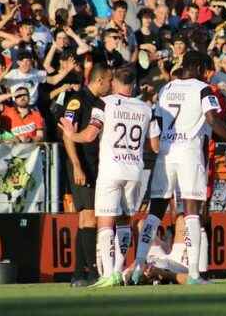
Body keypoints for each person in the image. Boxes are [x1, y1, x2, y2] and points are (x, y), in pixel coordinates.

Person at [131, 51, 226, 285]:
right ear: (202, 68)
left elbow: (158, 123)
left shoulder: (167, 88)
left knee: (156, 210)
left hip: (166, 152)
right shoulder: (203, 89)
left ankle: (139, 263)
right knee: (192, 210)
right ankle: (193, 273)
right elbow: (213, 120)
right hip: (190, 153)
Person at [59, 65, 157, 288]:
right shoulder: (146, 107)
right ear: (133, 83)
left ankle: (107, 275)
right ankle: (117, 271)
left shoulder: (104, 103)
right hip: (134, 170)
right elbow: (155, 145)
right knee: (124, 221)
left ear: (114, 82)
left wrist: (71, 134)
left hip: (110, 170)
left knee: (104, 221)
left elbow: (90, 134)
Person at [59, 63, 113, 287]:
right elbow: (67, 135)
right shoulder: (77, 100)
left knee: (85, 219)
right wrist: (77, 165)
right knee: (89, 216)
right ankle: (92, 272)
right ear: (99, 81)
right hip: (82, 166)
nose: (111, 85)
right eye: (109, 81)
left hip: (94, 165)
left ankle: (78, 274)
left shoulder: (99, 102)